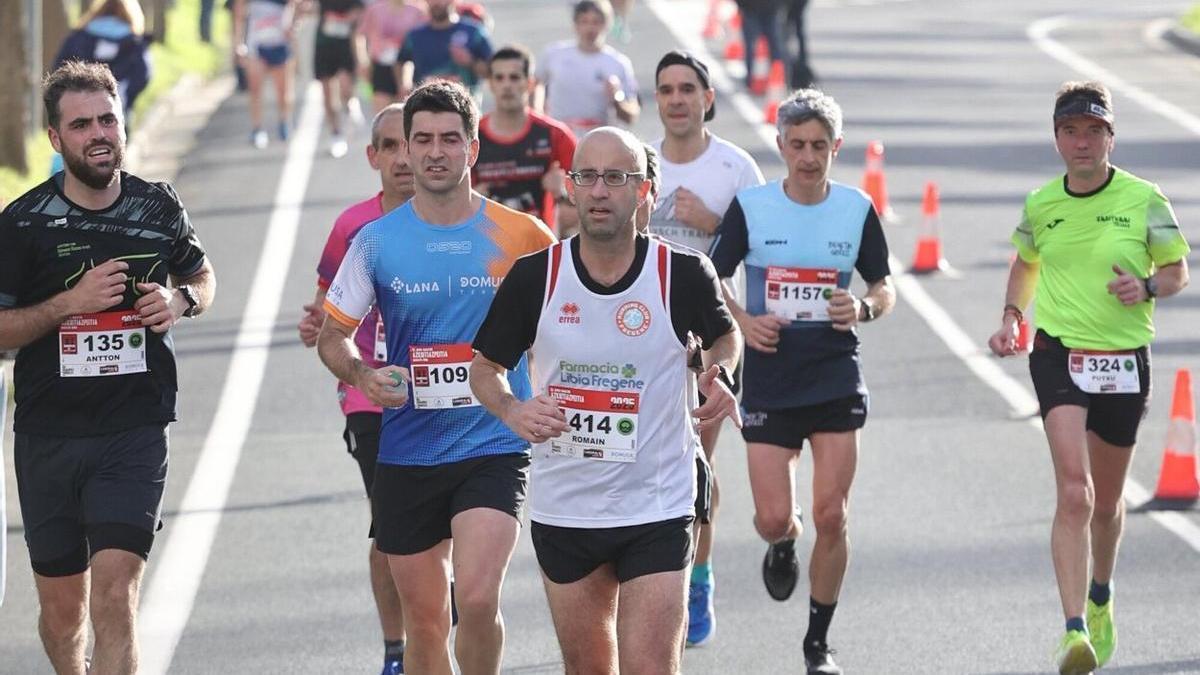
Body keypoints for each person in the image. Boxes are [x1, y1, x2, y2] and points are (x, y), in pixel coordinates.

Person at [470, 127, 743, 675]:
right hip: (567, 506)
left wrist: (722, 373)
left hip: (658, 503)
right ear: (570, 187)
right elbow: (484, 370)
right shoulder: (536, 277)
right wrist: (512, 410)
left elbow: (724, 336)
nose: (599, 190)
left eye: (615, 177)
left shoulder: (682, 272)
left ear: (643, 190)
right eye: (587, 176)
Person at [317, 80, 555, 675]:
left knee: (475, 599)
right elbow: (331, 336)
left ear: (472, 149)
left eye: (450, 139)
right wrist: (363, 376)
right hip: (408, 448)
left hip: (493, 444)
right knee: (425, 623)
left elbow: (570, 325)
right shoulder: (375, 242)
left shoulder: (524, 237)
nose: (435, 151)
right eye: (421, 139)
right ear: (406, 149)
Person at [0, 61, 216, 675]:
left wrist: (180, 300)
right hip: (49, 433)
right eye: (80, 125)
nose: (98, 134)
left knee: (116, 592)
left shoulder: (157, 206)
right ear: (55, 137)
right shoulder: (22, 223)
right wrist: (70, 303)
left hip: (134, 427)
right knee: (63, 611)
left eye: (107, 120)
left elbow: (202, 274)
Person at [987, 81, 1190, 675]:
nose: (1082, 142)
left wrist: (1146, 286)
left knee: (1106, 502)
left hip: (1123, 360)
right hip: (1059, 355)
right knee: (1075, 493)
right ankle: (1073, 629)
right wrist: (1012, 316)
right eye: (1071, 131)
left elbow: (1177, 271)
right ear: (1057, 139)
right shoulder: (1041, 204)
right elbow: (1026, 261)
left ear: (1110, 138)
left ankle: (1101, 593)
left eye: (1093, 131)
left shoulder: (1144, 198)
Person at [708, 89, 895, 675]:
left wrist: (862, 308)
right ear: (781, 146)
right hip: (771, 379)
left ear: (836, 147)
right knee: (771, 518)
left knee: (832, 515)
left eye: (819, 146)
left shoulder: (856, 208)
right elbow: (712, 275)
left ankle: (818, 643)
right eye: (798, 145)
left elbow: (883, 286)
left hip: (835, 375)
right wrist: (744, 321)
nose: (808, 157)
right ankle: (783, 541)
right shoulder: (753, 207)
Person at [647, 50, 764, 647]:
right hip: (643, 336)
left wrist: (714, 222)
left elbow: (761, 248)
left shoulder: (735, 167)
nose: (676, 99)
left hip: (711, 338)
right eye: (666, 89)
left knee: (696, 463)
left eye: (687, 88)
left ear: (707, 98)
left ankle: (698, 577)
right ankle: (645, 581)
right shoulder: (640, 163)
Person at [298, 103, 413, 675]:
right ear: (373, 157)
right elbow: (328, 304)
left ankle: (440, 608)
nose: (403, 158)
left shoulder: (461, 221)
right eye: (389, 146)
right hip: (370, 395)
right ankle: (396, 648)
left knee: (446, 524)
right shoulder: (353, 226)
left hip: (451, 395)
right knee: (390, 527)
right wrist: (317, 323)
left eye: (410, 143)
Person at [474, 45, 578, 236]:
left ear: (530, 84)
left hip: (541, 245)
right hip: (485, 245)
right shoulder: (471, 136)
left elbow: (588, 204)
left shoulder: (557, 135)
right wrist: (469, 198)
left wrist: (562, 193)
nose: (507, 85)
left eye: (514, 77)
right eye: (499, 78)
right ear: (490, 84)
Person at [536, 1, 639, 139]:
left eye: (596, 22)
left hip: (599, 138)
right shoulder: (554, 54)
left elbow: (631, 115)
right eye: (584, 21)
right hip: (559, 136)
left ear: (607, 24)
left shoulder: (618, 63)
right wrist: (538, 113)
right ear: (575, 25)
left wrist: (617, 97)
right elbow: (535, 85)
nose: (590, 28)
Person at [54, 0, 152, 127]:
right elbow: (143, 74)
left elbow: (59, 70)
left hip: (77, 111)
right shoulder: (134, 42)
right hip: (117, 112)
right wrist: (126, 95)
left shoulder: (78, 38)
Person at [397, 0, 493, 101]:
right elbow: (401, 62)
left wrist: (470, 61)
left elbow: (491, 70)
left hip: (465, 103)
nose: (436, 2)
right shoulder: (415, 35)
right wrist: (404, 84)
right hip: (426, 103)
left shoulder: (474, 32)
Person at [234, 0, 298, 148]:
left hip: (280, 44)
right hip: (256, 45)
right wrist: (238, 44)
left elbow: (296, 6)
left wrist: (292, 23)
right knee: (255, 89)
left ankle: (284, 122)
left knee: (283, 92)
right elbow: (238, 14)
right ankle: (257, 128)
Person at [312, 0, 367, 158]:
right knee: (327, 92)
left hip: (346, 45)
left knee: (345, 87)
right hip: (324, 45)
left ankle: (350, 104)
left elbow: (362, 13)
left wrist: (361, 56)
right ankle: (336, 133)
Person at [358, 0, 427, 113]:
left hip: (407, 68)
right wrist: (363, 60)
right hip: (381, 65)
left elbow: (424, 39)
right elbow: (361, 36)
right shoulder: (375, 9)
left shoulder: (418, 11)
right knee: (382, 113)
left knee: (403, 113)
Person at [734, 0, 785, 93]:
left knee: (772, 49)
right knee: (756, 48)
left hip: (765, 11)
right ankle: (755, 80)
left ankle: (776, 80)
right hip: (755, 10)